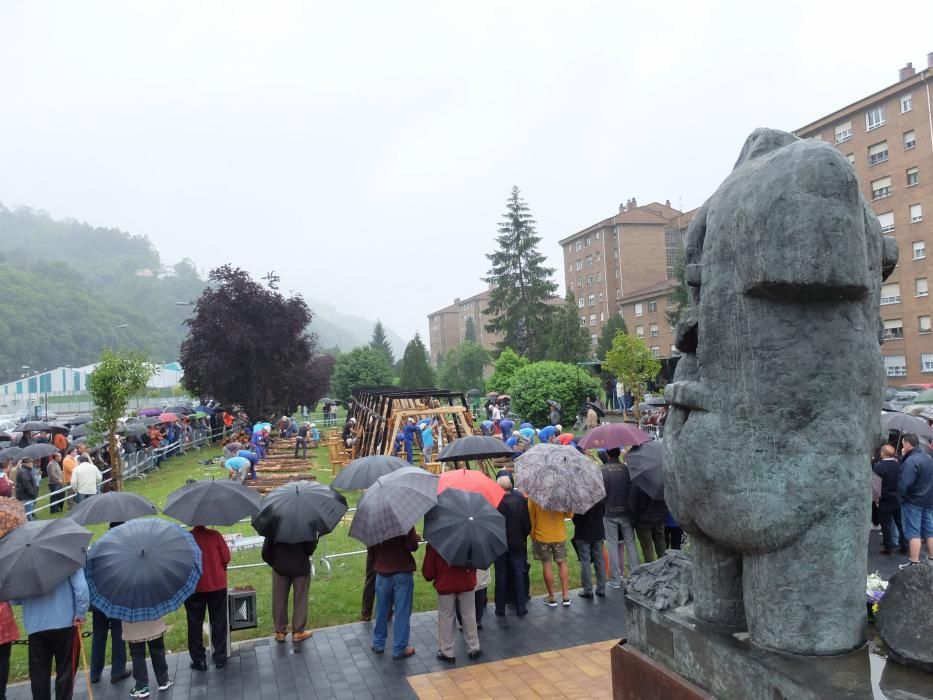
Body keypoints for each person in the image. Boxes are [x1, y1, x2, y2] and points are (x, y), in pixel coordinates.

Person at [15, 568, 89, 700]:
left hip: (36, 624)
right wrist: (80, 613)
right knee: (66, 669)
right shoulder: (67, 555)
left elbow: (15, 600)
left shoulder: (24, 562)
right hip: (65, 622)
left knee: (39, 674)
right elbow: (81, 588)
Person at [422, 544, 481, 663]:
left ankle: (447, 651)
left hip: (445, 583)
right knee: (469, 615)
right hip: (466, 581)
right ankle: (474, 648)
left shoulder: (435, 543)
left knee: (446, 617)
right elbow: (478, 561)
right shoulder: (469, 539)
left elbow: (428, 573)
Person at [186, 525, 231, 670]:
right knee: (218, 621)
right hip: (217, 584)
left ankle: (199, 660)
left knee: (194, 623)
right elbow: (226, 557)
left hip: (194, 586)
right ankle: (220, 657)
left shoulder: (186, 538)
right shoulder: (215, 535)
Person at [371, 528, 418, 659]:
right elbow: (412, 546)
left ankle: (378, 643)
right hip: (402, 571)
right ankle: (400, 648)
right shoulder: (404, 521)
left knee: (381, 609)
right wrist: (415, 537)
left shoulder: (375, 522)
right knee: (402, 611)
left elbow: (372, 547)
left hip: (382, 571)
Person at [262, 537, 316, 642]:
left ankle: (280, 632)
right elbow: (309, 550)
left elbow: (266, 551)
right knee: (301, 600)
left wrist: (274, 563)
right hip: (301, 567)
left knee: (279, 599)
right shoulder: (305, 524)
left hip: (280, 568)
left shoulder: (274, 523)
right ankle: (298, 632)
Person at [602, 447, 639, 587]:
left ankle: (616, 579)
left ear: (606, 454)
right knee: (630, 543)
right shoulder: (626, 469)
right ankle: (635, 575)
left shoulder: (602, 470)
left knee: (612, 545)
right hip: (626, 512)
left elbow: (600, 494)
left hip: (610, 512)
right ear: (619, 453)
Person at [528, 497, 572, 607]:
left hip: (542, 536)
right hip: (559, 535)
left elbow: (531, 518)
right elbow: (569, 515)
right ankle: (566, 596)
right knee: (562, 563)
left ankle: (552, 597)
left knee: (547, 565)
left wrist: (533, 535)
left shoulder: (534, 496)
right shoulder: (561, 494)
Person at [897, 434, 933, 569]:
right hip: (928, 500)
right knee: (930, 531)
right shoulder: (928, 458)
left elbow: (904, 484)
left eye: (903, 443)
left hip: (913, 501)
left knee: (913, 532)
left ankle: (914, 562)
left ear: (908, 444)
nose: (902, 446)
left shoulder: (911, 461)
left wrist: (902, 498)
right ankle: (931, 558)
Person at [124, 617, 172, 697]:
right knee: (157, 650)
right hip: (153, 622)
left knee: (137, 655)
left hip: (132, 625)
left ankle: (141, 686)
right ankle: (164, 680)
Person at [874, 444, 908, 555]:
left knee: (886, 525)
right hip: (897, 499)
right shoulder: (899, 465)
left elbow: (876, 486)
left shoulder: (879, 466)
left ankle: (888, 547)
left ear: (883, 453)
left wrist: (876, 499)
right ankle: (904, 545)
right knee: (900, 523)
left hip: (885, 499)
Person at [572, 497, 606, 599]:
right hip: (597, 532)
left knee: (585, 562)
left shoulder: (577, 500)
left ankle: (587, 590)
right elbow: (603, 513)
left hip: (583, 534)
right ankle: (601, 589)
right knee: (599, 560)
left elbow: (575, 519)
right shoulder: (599, 497)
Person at [627, 482, 667, 563]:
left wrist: (634, 521)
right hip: (659, 519)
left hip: (642, 522)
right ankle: (664, 567)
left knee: (647, 548)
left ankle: (651, 570)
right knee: (661, 545)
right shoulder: (661, 482)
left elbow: (631, 504)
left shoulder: (637, 483)